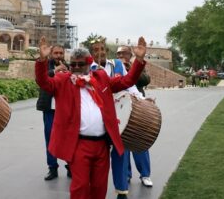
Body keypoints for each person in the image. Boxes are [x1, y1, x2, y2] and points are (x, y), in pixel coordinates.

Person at [35, 36, 148, 199]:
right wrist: (42, 60)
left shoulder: (101, 77)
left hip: (102, 144)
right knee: (80, 187)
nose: (75, 67)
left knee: (99, 187)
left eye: (80, 64)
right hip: (79, 145)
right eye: (73, 64)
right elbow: (44, 82)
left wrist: (138, 59)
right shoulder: (63, 80)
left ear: (89, 64)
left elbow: (127, 81)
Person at [88, 40, 143, 199]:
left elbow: (130, 85)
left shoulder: (117, 65)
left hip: (118, 116)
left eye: (103, 49)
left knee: (121, 153)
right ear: (92, 53)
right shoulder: (88, 69)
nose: (101, 52)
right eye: (96, 49)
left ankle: (121, 191)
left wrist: (141, 98)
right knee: (99, 158)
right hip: (98, 118)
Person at [116, 46, 154, 189]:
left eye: (123, 53)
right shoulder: (114, 66)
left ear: (129, 54)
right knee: (123, 144)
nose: (120, 55)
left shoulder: (137, 64)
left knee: (139, 140)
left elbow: (146, 80)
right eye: (118, 53)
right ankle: (126, 174)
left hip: (138, 108)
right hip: (121, 108)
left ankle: (145, 174)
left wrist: (133, 69)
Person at [37, 43, 70, 181]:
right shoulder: (46, 65)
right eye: (56, 53)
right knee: (50, 138)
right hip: (50, 109)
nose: (58, 56)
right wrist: (55, 71)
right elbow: (39, 78)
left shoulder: (70, 67)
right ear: (51, 54)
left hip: (65, 110)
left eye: (60, 53)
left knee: (69, 138)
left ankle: (71, 166)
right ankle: (52, 167)